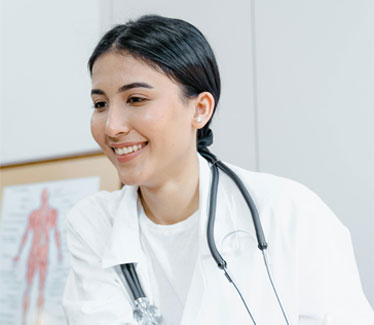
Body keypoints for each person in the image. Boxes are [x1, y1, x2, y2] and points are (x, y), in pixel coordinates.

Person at [62, 14, 374, 324]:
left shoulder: (286, 211)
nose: (113, 127)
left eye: (136, 99)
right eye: (100, 104)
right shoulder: (93, 225)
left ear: (200, 109)